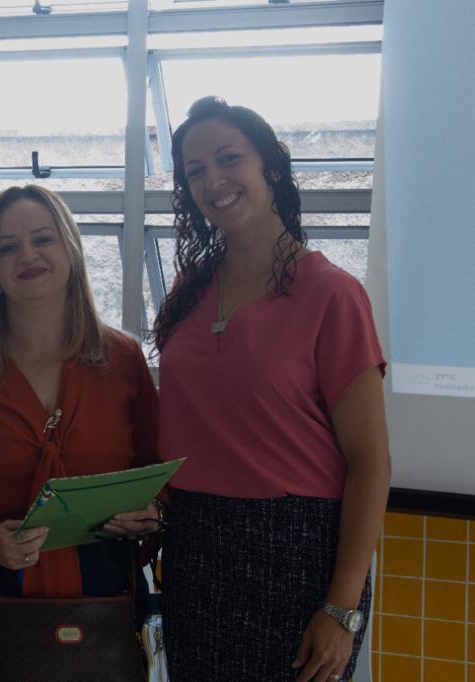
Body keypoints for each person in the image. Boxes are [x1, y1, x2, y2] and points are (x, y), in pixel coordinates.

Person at [153, 96, 391, 682]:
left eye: (229, 158)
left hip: (298, 554)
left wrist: (341, 609)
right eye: (195, 171)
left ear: (272, 168)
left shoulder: (331, 293)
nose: (214, 180)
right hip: (194, 548)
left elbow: (370, 463)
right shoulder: (187, 291)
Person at [0, 185, 163, 680]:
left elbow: (159, 476)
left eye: (43, 239)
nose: (27, 255)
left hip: (109, 608)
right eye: (7, 246)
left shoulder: (124, 361)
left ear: (70, 249)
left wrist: (153, 512)